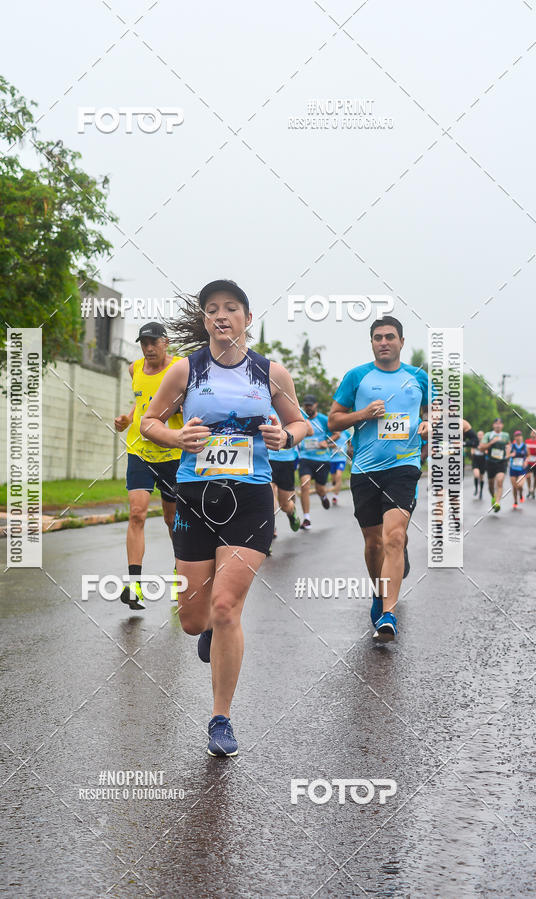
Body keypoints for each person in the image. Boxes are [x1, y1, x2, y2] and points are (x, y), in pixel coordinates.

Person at [141, 280, 309, 757]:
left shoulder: (270, 372)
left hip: (251, 499)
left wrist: (287, 437)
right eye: (212, 309)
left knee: (226, 605)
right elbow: (149, 422)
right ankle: (209, 629)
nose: (221, 315)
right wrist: (177, 439)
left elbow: (302, 423)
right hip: (196, 496)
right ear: (205, 318)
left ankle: (221, 719)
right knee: (194, 620)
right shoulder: (186, 370)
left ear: (247, 318)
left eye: (231, 308)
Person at [328, 316, 429, 642]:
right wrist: (362, 415)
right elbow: (333, 421)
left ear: (402, 341)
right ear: (372, 342)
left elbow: (438, 409)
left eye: (389, 337)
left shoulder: (418, 377)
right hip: (366, 470)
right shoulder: (357, 377)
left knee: (394, 538)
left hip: (405, 465)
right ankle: (378, 590)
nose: (383, 342)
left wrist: (430, 423)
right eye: (377, 337)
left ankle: (388, 613)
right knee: (374, 544)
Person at [113, 323, 183, 610]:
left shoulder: (181, 368)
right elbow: (142, 401)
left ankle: (181, 578)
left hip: (172, 454)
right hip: (139, 450)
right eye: (144, 343)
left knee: (172, 520)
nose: (148, 348)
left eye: (154, 342)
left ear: (166, 342)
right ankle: (135, 586)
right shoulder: (135, 369)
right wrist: (128, 419)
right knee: (137, 515)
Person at [268, 406, 309, 543]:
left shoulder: (289, 406)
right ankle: (269, 530)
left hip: (286, 461)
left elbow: (308, 430)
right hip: (266, 459)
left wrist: (286, 434)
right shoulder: (261, 404)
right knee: (268, 494)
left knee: (285, 504)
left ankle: (292, 513)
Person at [298, 394, 333, 529]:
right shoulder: (301, 419)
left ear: (315, 405)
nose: (308, 408)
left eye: (310, 405)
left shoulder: (324, 419)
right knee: (304, 485)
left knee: (320, 489)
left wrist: (326, 442)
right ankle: (307, 518)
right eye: (306, 406)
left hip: (322, 459)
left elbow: (336, 434)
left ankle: (323, 496)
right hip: (306, 458)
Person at [480, 419, 511, 513]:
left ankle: (497, 503)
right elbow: (481, 448)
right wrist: (491, 442)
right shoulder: (488, 435)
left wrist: (508, 452)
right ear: (493, 425)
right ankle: (493, 496)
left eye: (500, 424)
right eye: (496, 423)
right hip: (490, 462)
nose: (498, 425)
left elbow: (509, 445)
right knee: (491, 484)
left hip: (501, 462)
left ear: (502, 425)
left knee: (500, 481)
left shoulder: (506, 435)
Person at [329, 428, 352, 505]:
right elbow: (326, 443)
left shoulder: (346, 433)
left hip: (341, 458)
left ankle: (335, 496)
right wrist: (332, 445)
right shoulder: (331, 432)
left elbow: (350, 442)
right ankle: (335, 487)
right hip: (331, 459)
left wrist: (350, 449)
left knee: (338, 476)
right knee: (334, 480)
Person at [509, 430, 528, 508]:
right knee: (514, 486)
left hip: (521, 469)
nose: (518, 437)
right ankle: (515, 501)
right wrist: (510, 455)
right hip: (513, 469)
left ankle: (520, 494)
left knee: (519, 485)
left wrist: (526, 461)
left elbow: (528, 455)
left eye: (520, 436)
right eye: (517, 436)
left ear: (522, 437)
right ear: (515, 437)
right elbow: (507, 454)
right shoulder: (512, 446)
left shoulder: (525, 446)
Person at [470, 430, 486, 499]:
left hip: (482, 460)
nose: (479, 436)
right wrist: (472, 453)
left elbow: (487, 451)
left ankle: (481, 492)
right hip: (476, 459)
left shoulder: (485, 443)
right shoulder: (475, 442)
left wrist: (482, 449)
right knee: (476, 475)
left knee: (481, 477)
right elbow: (472, 449)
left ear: (483, 436)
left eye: (481, 435)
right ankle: (476, 488)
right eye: (478, 435)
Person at [526, 428, 536, 499]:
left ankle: (533, 490)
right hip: (529, 462)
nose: (534, 434)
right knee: (528, 476)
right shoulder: (527, 441)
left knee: (535, 478)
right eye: (532, 432)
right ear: (530, 434)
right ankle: (529, 489)